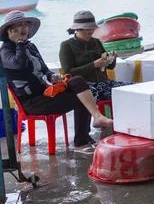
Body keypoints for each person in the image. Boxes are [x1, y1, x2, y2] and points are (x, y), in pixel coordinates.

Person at [0, 11, 113, 154]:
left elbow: (45, 70)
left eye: (25, 24)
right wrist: (19, 43)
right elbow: (19, 64)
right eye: (18, 25)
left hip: (46, 93)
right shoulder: (5, 50)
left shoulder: (31, 46)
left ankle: (97, 118)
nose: (23, 28)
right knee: (80, 98)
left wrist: (53, 77)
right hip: (32, 102)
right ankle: (80, 142)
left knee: (78, 81)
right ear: (10, 31)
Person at [59, 11, 132, 101]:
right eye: (87, 29)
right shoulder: (67, 45)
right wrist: (93, 65)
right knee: (93, 93)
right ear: (78, 29)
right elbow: (67, 72)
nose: (91, 32)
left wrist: (112, 59)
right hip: (84, 87)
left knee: (134, 89)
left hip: (104, 83)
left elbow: (110, 67)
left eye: (92, 29)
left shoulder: (96, 42)